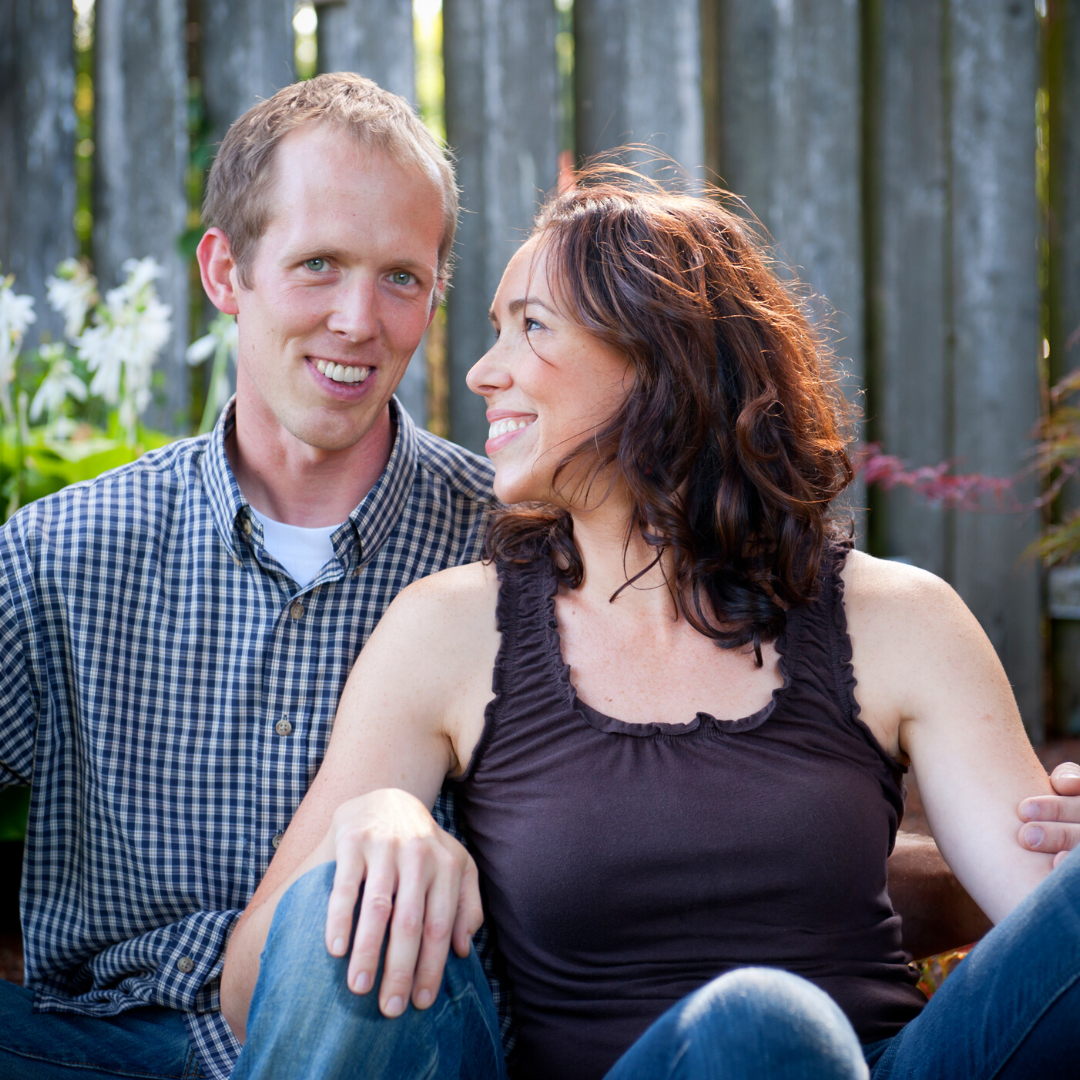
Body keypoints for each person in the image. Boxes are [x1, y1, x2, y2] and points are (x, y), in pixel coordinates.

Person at [220, 171, 1080, 1080]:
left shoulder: (900, 621)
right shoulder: (451, 633)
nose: (483, 371)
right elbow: (251, 993)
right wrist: (377, 820)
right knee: (759, 1025)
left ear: (663, 361)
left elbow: (1036, 916)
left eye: (531, 327)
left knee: (773, 1025)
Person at [0, 74, 503, 1080]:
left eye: (402, 277)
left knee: (345, 919)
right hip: (89, 1042)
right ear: (226, 272)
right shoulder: (60, 555)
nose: (360, 320)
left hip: (380, 1036)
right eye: (319, 265)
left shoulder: (510, 554)